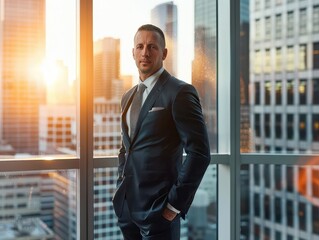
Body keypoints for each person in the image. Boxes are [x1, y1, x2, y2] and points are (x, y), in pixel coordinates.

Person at [112, 24, 210, 240]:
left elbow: (199, 153)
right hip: (127, 209)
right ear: (133, 52)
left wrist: (174, 205)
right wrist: (120, 186)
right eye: (140, 46)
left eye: (152, 47)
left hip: (159, 211)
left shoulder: (180, 92)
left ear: (164, 53)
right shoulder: (127, 96)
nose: (145, 52)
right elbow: (126, 146)